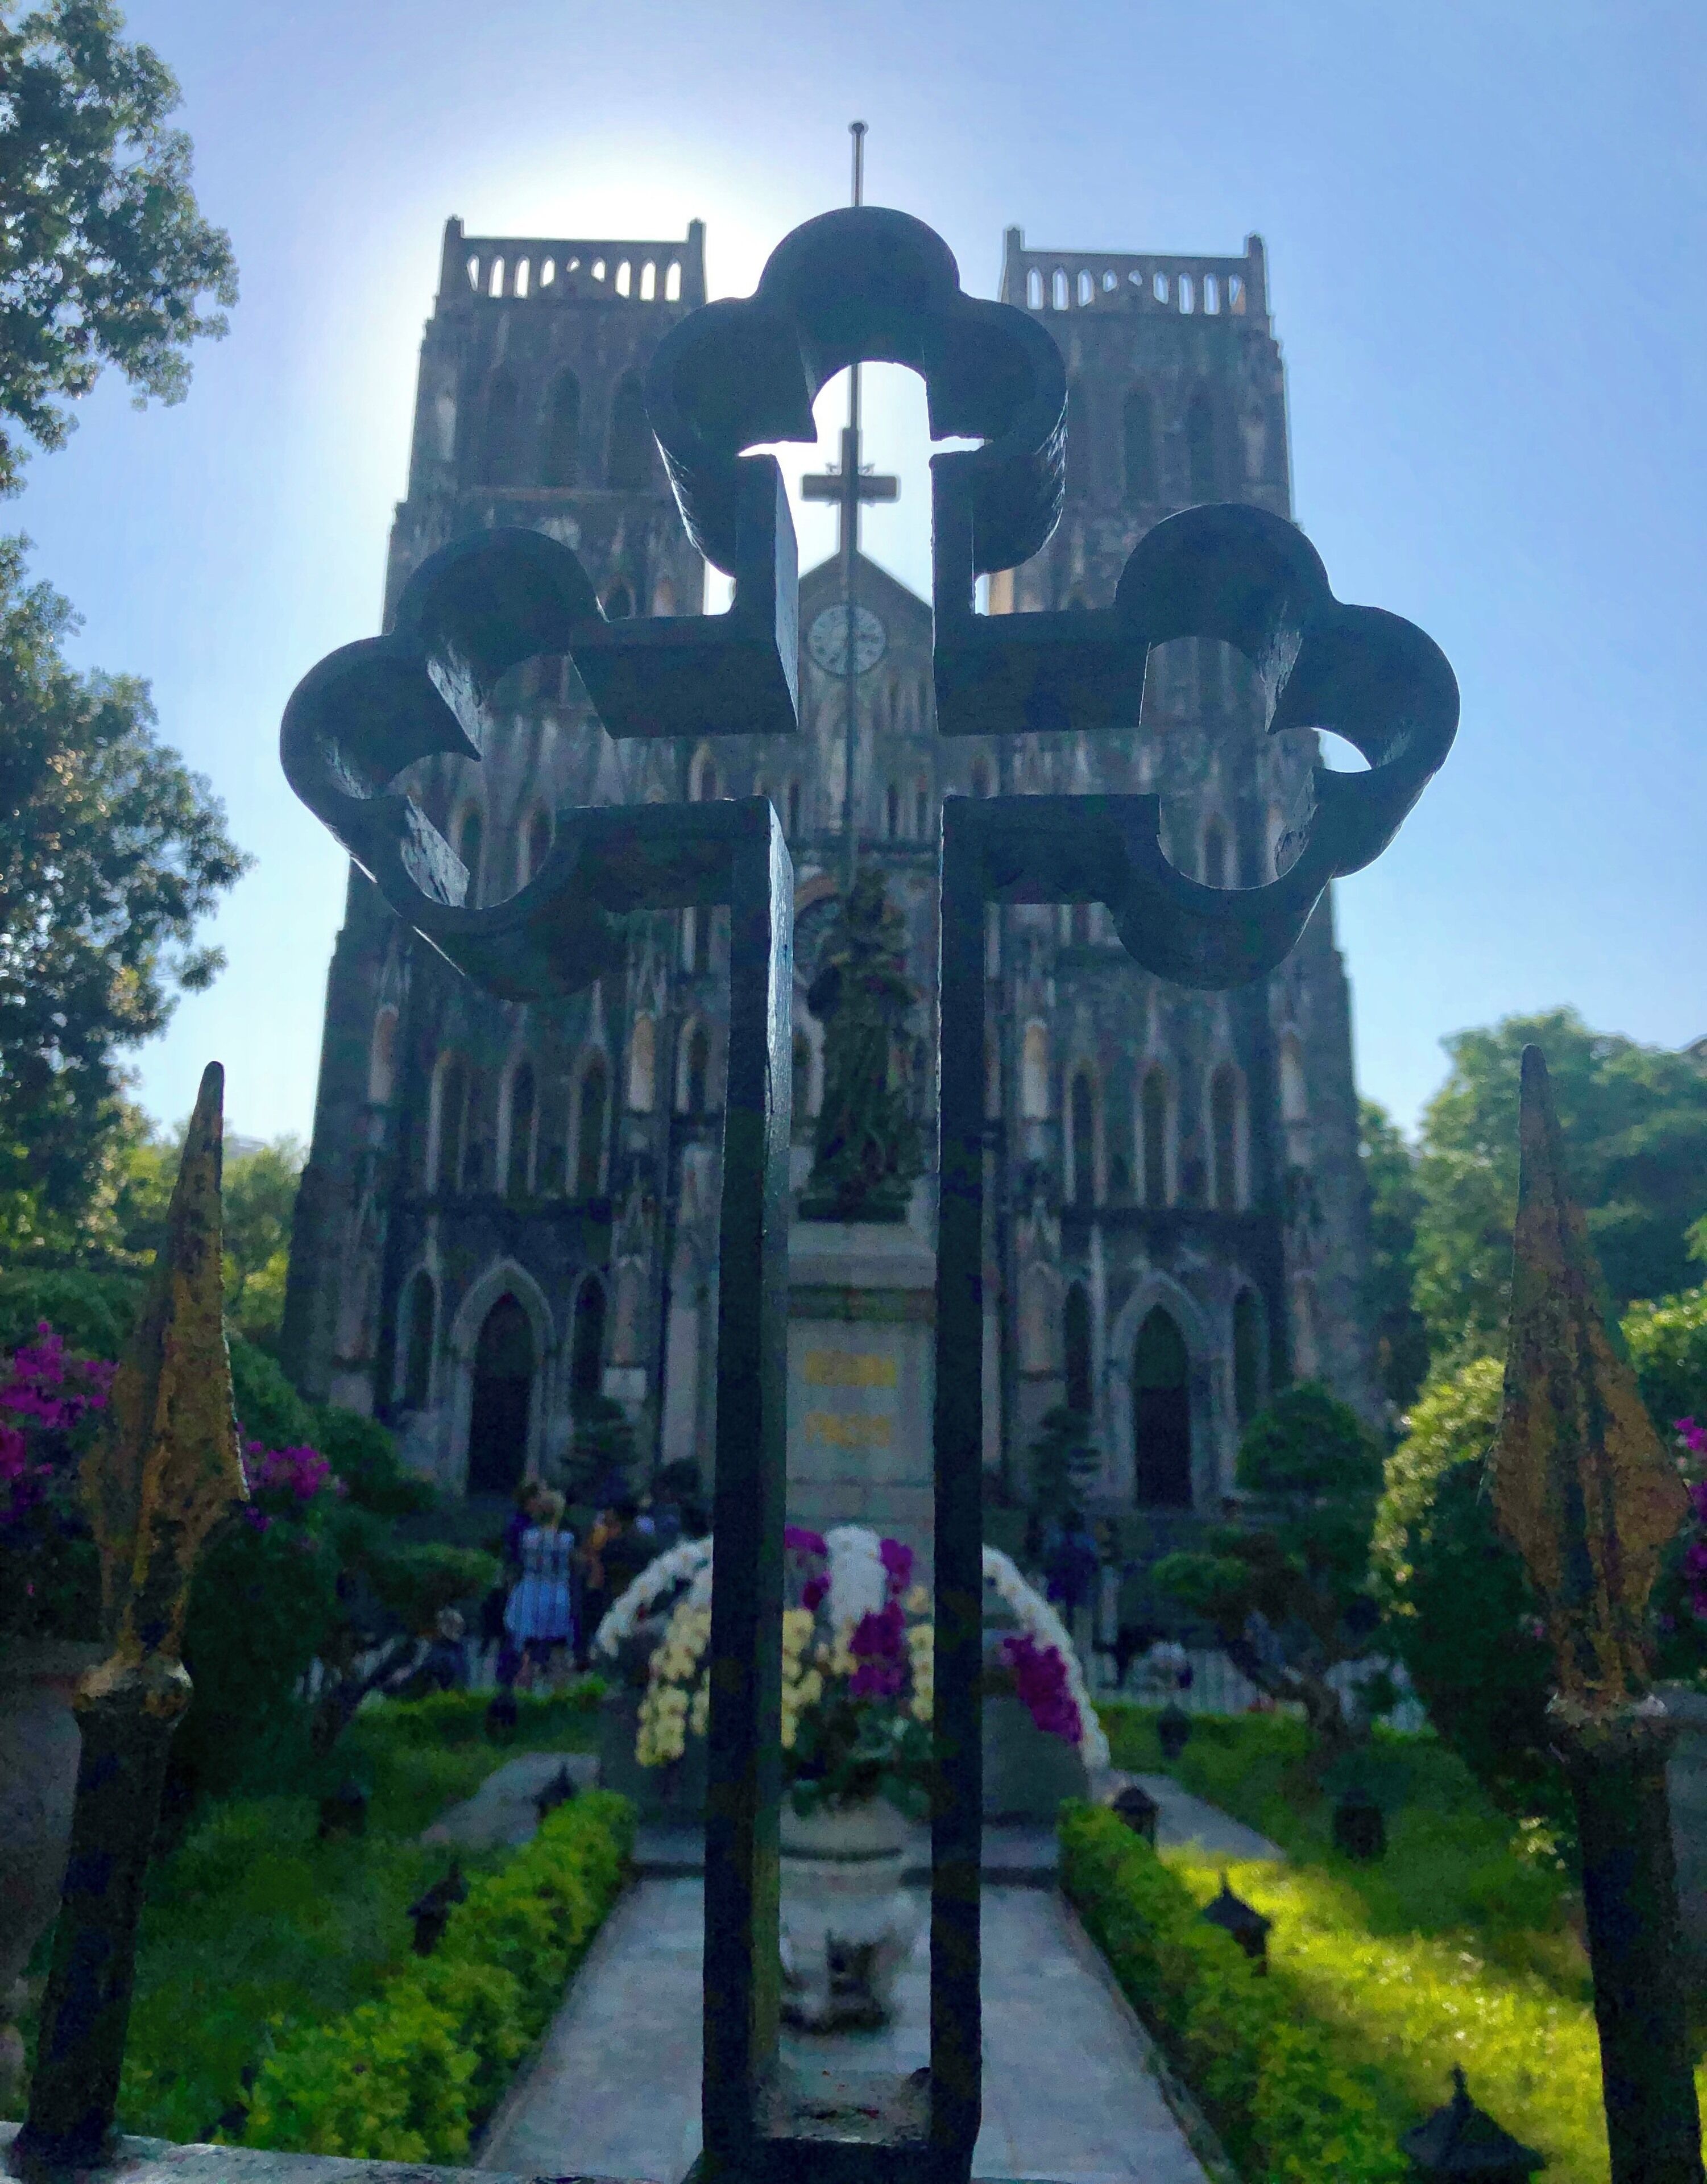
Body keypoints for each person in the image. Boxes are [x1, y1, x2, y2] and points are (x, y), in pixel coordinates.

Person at [504, 1487, 576, 1692]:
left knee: (527, 1649)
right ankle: (560, 1698)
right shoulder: (566, 1539)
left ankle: (524, 1694)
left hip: (530, 1592)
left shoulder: (528, 1537)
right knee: (558, 1650)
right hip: (557, 1595)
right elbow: (573, 1566)